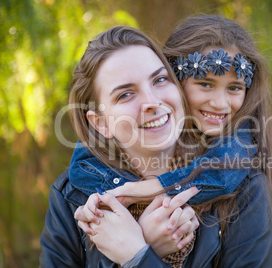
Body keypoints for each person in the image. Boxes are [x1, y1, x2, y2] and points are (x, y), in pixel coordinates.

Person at [74, 15, 272, 267]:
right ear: (173, 80)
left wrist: (139, 245)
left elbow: (222, 172)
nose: (220, 103)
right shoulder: (76, 191)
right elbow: (82, 164)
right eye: (205, 83)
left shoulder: (244, 173)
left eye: (234, 88)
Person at [40, 26, 201, 267]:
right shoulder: (71, 199)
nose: (152, 102)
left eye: (159, 79)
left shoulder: (233, 181)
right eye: (125, 95)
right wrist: (139, 253)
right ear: (100, 123)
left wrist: (137, 254)